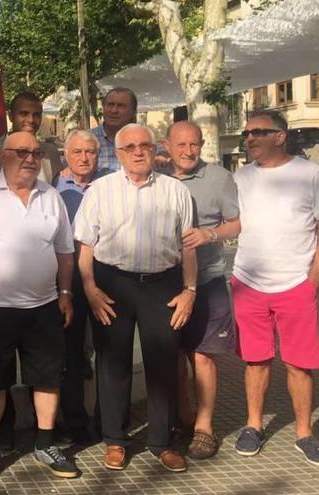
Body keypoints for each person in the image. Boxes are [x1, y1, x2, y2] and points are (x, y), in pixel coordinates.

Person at [73, 123, 196, 473]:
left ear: (155, 149)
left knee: (163, 363)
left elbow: (188, 247)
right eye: (130, 147)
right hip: (113, 284)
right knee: (113, 364)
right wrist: (90, 288)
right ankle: (115, 440)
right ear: (119, 151)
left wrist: (190, 291)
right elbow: (86, 245)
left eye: (144, 145)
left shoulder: (175, 191)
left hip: (164, 285)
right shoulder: (100, 190)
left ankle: (162, 442)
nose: (138, 152)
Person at [0, 131, 79, 483]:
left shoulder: (51, 196)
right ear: (3, 156)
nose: (30, 158)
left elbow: (65, 251)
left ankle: (44, 443)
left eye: (36, 153)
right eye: (22, 152)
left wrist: (66, 293)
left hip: (43, 306)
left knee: (46, 377)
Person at [230, 109, 319, 467]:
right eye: (247, 133)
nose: (250, 139)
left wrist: (314, 281)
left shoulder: (310, 173)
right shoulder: (241, 177)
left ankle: (305, 434)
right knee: (255, 360)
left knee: (300, 365)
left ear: (280, 136)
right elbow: (234, 224)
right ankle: (253, 426)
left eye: (258, 132)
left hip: (295, 286)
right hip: (248, 283)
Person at [159, 121, 240, 460]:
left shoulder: (219, 177)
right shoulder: (157, 176)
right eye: (181, 144)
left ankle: (205, 427)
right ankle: (182, 418)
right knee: (173, 356)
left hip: (207, 280)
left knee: (202, 355)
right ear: (168, 145)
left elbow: (237, 222)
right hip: (164, 283)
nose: (189, 151)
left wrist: (209, 235)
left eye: (194, 144)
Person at [50, 129, 111, 445]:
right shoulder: (52, 190)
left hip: (109, 279)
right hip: (68, 281)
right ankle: (75, 423)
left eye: (91, 152)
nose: (85, 158)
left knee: (110, 351)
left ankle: (109, 421)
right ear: (66, 155)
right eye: (78, 152)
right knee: (70, 353)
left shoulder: (112, 186)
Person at [0, 91, 62, 184]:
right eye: (24, 114)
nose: (31, 120)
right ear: (10, 116)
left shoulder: (51, 153)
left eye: (36, 115)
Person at [90, 87, 138, 172]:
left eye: (121, 106)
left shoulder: (143, 140)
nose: (114, 110)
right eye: (110, 105)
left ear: (133, 112)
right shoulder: (87, 139)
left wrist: (164, 154)